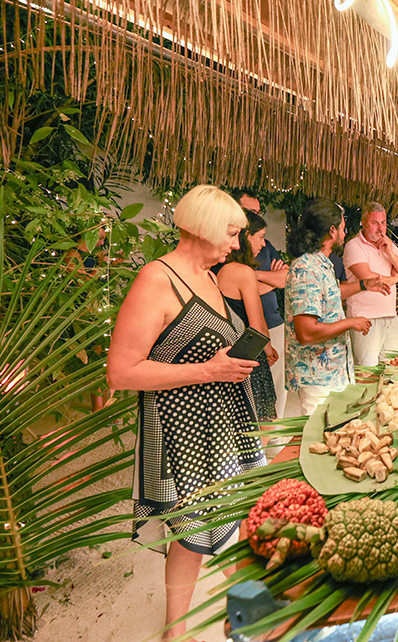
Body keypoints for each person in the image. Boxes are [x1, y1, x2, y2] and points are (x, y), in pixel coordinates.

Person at [106, 185, 269, 642]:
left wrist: (230, 364)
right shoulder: (157, 279)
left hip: (225, 419)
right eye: (233, 233)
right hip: (183, 426)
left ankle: (226, 615)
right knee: (188, 529)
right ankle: (176, 630)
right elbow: (121, 372)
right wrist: (210, 368)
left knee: (228, 518)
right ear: (208, 229)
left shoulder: (211, 277)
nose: (237, 244)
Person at [285, 200, 390, 416]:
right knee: (319, 441)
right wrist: (351, 323)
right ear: (332, 230)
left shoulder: (321, 262)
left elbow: (329, 296)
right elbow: (306, 332)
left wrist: (363, 285)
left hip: (334, 372)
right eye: (342, 227)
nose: (345, 231)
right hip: (317, 376)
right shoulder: (306, 268)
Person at [215, 209, 281, 429]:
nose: (263, 244)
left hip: (230, 350)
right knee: (264, 428)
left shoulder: (221, 270)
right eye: (260, 237)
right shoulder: (242, 272)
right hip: (250, 354)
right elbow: (257, 322)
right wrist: (269, 348)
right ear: (245, 237)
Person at [234, 192, 290, 418]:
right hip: (246, 330)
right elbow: (236, 291)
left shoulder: (265, 246)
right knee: (253, 396)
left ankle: (276, 443)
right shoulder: (230, 254)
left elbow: (286, 277)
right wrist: (268, 280)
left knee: (277, 387)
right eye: (250, 212)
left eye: (258, 212)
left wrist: (255, 279)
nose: (255, 216)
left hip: (273, 323)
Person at [343, 202, 398, 366]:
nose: (380, 228)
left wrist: (391, 254)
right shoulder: (354, 246)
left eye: (383, 222)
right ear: (364, 222)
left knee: (395, 366)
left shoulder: (389, 245)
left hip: (390, 315)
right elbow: (368, 278)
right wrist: (395, 278)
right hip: (365, 317)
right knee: (368, 369)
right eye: (375, 223)